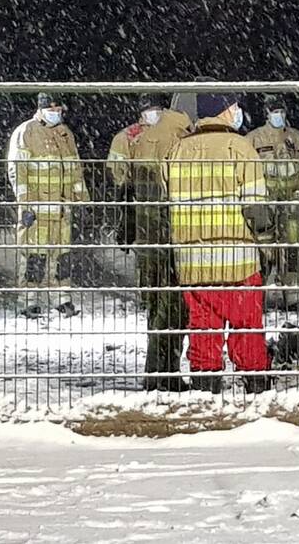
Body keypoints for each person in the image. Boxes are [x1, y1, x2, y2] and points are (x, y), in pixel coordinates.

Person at [164, 93, 273, 394]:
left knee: (203, 327)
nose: (239, 112)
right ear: (224, 111)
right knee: (247, 325)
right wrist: (267, 245)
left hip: (193, 262)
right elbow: (256, 208)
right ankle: (255, 381)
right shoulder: (241, 148)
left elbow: (167, 196)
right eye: (235, 106)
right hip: (236, 261)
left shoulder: (177, 151)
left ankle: (205, 383)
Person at [106, 94, 192, 391]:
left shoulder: (139, 142)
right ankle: (161, 374)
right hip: (166, 242)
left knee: (165, 309)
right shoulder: (174, 139)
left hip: (156, 241)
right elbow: (126, 195)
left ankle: (160, 373)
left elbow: (125, 194)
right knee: (168, 309)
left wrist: (127, 227)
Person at [6, 92, 88, 317]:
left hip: (61, 211)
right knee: (34, 256)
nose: (56, 114)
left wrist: (82, 201)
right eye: (52, 110)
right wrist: (25, 204)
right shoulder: (26, 132)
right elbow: (17, 170)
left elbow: (75, 169)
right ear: (41, 109)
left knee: (62, 258)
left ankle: (62, 300)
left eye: (59, 111)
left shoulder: (65, 134)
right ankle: (28, 302)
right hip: (36, 211)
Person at [245, 96, 299, 308]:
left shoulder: (297, 139)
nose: (278, 115)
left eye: (281, 111)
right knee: (262, 249)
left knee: (292, 246)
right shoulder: (253, 139)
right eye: (274, 111)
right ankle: (257, 296)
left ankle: (294, 296)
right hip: (264, 201)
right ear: (266, 113)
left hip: (290, 202)